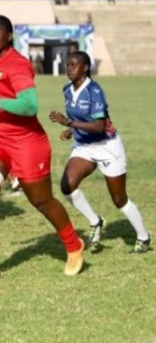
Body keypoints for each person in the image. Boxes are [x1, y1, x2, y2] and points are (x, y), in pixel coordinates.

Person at [0, 15, 85, 281]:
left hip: (27, 142)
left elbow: (29, 106)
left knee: (41, 200)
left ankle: (74, 245)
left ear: (9, 36)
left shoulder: (18, 64)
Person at [49, 51, 151, 253]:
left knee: (119, 200)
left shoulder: (94, 91)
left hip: (107, 147)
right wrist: (72, 129)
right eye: (67, 64)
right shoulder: (67, 90)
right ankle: (95, 222)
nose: (69, 68)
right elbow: (82, 117)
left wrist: (68, 122)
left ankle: (144, 237)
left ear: (85, 68)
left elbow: (98, 126)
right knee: (67, 186)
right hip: (84, 147)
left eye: (74, 65)